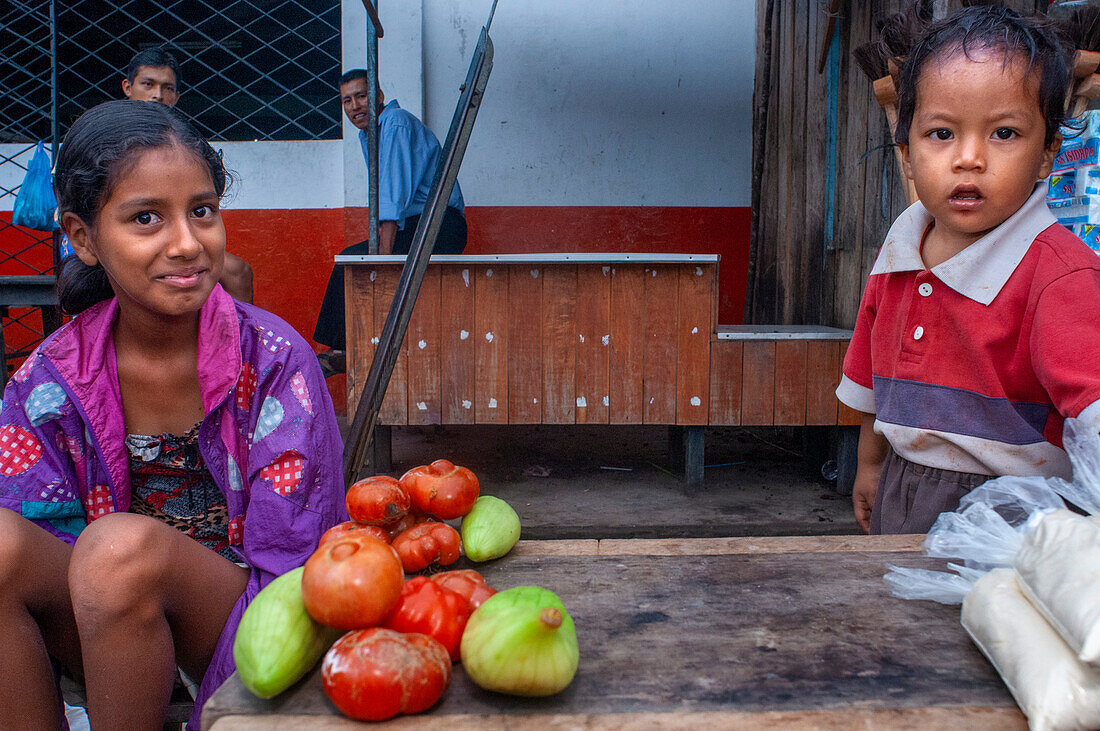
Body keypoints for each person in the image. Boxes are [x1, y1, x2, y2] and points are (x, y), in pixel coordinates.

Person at [0, 100, 347, 729]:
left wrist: (218, 711)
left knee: (118, 550)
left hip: (240, 622)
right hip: (106, 624)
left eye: (202, 211)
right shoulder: (52, 378)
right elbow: (40, 540)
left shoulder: (274, 362)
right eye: (146, 218)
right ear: (83, 238)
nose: (187, 244)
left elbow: (294, 566)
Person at [837, 5, 1100, 535]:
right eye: (941, 134)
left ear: (1048, 153)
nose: (970, 158)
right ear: (907, 154)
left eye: (1004, 133)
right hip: (902, 486)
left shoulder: (1061, 277)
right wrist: (869, 466)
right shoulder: (899, 250)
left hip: (1014, 512)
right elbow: (872, 373)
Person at [312, 69, 468, 375]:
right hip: (419, 226)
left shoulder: (394, 124)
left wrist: (380, 262)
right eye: (347, 100)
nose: (355, 106)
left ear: (379, 97)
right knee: (349, 260)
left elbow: (392, 199)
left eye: (361, 96)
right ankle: (342, 349)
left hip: (440, 225)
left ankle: (341, 351)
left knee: (355, 261)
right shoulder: (369, 133)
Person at [122, 47, 255, 304]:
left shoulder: (181, 138)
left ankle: (240, 342)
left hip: (178, 233)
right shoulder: (107, 132)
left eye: (167, 88)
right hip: (129, 240)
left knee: (238, 272)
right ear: (128, 87)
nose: (157, 95)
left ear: (177, 96)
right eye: (148, 84)